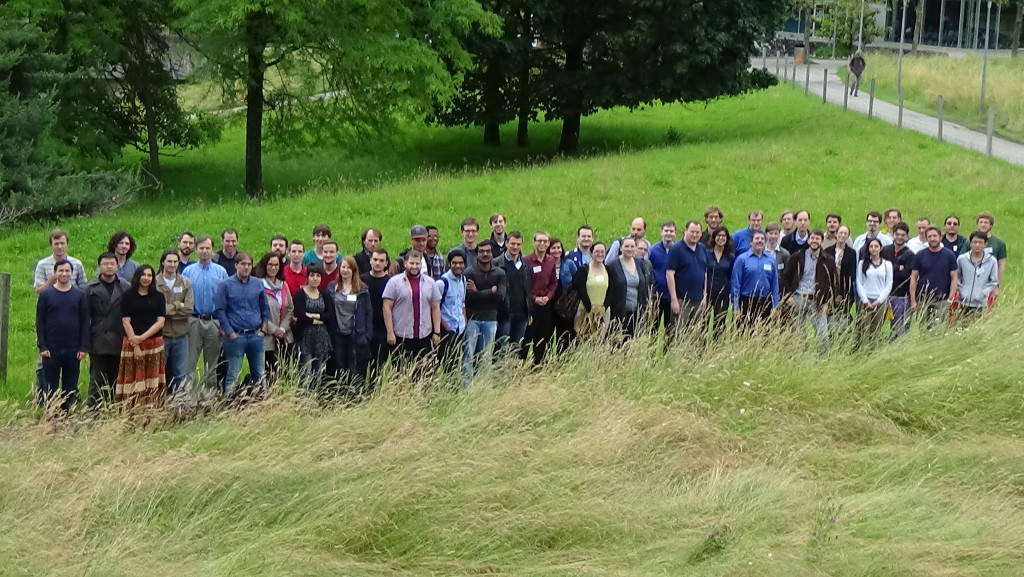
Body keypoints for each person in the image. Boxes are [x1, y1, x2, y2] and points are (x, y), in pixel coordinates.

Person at [36, 259, 89, 414]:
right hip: (51, 349)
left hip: (73, 349)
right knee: (50, 385)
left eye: (67, 271)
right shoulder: (46, 294)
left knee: (70, 385)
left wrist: (83, 346)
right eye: (61, 271)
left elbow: (85, 321)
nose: (64, 274)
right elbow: (40, 322)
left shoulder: (79, 295)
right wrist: (43, 346)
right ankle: (51, 416)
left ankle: (67, 416)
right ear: (55, 273)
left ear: (71, 273)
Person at [215, 251, 270, 401]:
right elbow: (220, 310)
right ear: (236, 265)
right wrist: (230, 332)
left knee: (259, 372)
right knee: (233, 373)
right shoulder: (226, 285)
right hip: (235, 336)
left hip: (255, 335)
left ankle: (261, 403)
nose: (246, 267)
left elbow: (265, 308)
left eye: (249, 264)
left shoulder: (258, 283)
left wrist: (263, 330)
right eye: (243, 264)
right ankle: (229, 405)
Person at [182, 235, 228, 399]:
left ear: (212, 250)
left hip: (214, 322)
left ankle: (208, 398)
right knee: (190, 362)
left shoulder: (221, 272)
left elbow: (225, 299)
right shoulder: (188, 271)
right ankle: (188, 398)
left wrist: (223, 324)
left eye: (208, 248)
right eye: (201, 248)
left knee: (211, 364)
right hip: (194, 320)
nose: (204, 251)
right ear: (196, 250)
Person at [116, 265, 166, 409]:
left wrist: (142, 338)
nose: (146, 278)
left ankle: (152, 411)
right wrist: (136, 344)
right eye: (143, 275)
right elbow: (126, 322)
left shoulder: (159, 297)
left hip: (153, 344)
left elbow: (160, 322)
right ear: (137, 277)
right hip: (132, 344)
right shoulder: (128, 296)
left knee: (152, 379)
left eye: (149, 275)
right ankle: (130, 411)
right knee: (132, 379)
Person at [84, 252, 130, 408]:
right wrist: (85, 341)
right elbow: (84, 317)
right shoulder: (90, 288)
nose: (109, 267)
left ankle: (114, 408)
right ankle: (93, 411)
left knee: (116, 378)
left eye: (112, 264)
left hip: (119, 338)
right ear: (99, 266)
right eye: (105, 264)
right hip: (98, 338)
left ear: (117, 266)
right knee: (96, 378)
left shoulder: (125, 286)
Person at [383, 250, 442, 369]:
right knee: (401, 371)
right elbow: (386, 307)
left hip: (424, 335)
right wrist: (390, 332)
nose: (414, 266)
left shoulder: (430, 282)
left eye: (417, 263)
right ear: (405, 264)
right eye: (411, 263)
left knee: (423, 371)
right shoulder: (394, 282)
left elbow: (435, 308)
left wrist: (437, 332)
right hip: (401, 335)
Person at [781, 229, 838, 354]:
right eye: (812, 238)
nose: (814, 241)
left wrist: (827, 302)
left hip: (817, 301)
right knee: (798, 334)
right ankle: (800, 360)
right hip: (798, 298)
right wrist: (788, 296)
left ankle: (823, 362)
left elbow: (833, 283)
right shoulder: (797, 256)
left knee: (822, 335)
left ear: (822, 241)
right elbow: (785, 277)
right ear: (808, 240)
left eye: (817, 239)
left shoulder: (828, 260)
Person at [463, 240, 506, 384]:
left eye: (488, 251)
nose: (485, 254)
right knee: (468, 354)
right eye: (482, 251)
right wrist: (490, 292)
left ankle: (483, 385)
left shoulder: (500, 273)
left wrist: (478, 292)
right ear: (477, 254)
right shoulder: (469, 272)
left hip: (491, 319)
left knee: (486, 355)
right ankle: (466, 386)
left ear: (492, 253)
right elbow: (468, 298)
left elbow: (500, 297)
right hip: (472, 319)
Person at [328, 256, 373, 395]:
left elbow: (368, 312)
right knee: (340, 365)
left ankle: (355, 396)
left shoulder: (362, 289)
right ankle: (340, 396)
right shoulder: (332, 287)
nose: (345, 270)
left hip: (355, 333)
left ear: (354, 270)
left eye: (348, 267)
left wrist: (367, 335)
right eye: (343, 267)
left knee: (354, 366)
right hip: (337, 333)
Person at [154, 249, 193, 400]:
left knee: (180, 374)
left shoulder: (185, 283)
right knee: (159, 373)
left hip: (181, 335)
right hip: (161, 335)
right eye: (169, 261)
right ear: (163, 262)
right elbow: (155, 310)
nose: (172, 264)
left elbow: (189, 309)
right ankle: (159, 404)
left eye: (175, 261)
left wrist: (165, 311)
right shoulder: (155, 283)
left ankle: (179, 405)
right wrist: (178, 305)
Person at [293, 264, 335, 392]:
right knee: (306, 371)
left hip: (322, 337)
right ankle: (304, 399)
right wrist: (317, 321)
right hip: (305, 337)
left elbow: (331, 316)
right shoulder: (300, 294)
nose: (315, 279)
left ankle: (315, 397)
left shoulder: (325, 294)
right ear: (307, 277)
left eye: (318, 276)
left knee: (318, 372)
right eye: (312, 275)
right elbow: (300, 315)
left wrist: (314, 315)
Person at [253, 252, 293, 383]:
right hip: (267, 337)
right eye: (270, 264)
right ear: (264, 265)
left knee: (284, 373)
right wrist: (274, 329)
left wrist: (282, 328)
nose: (273, 268)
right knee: (268, 373)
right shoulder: (258, 285)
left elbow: (290, 308)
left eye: (276, 265)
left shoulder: (284, 285)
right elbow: (256, 310)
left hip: (284, 337)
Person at [909, 226, 958, 330]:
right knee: (922, 330)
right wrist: (913, 300)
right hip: (923, 300)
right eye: (929, 236)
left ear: (940, 237)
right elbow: (913, 278)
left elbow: (954, 277)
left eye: (934, 236)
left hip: (942, 300)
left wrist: (950, 298)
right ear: (926, 239)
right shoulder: (920, 255)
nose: (932, 238)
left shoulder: (949, 255)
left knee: (939, 330)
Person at [666, 220, 708, 337]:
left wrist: (705, 295)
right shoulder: (676, 249)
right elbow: (670, 274)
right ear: (685, 232)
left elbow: (704, 273)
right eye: (692, 232)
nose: (694, 235)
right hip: (682, 300)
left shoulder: (702, 248)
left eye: (697, 232)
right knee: (679, 334)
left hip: (698, 300)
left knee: (695, 335)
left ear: (701, 234)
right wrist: (674, 299)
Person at [730, 231, 779, 328]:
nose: (759, 241)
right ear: (751, 242)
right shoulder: (742, 259)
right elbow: (735, 284)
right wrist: (736, 307)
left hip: (765, 302)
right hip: (746, 302)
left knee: (763, 336)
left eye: (762, 239)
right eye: (757, 238)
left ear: (765, 242)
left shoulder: (770, 260)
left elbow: (775, 284)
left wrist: (774, 306)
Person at [605, 237, 652, 338]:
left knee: (634, 339)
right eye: (626, 246)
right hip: (619, 312)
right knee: (619, 341)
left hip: (637, 312)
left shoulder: (639, 263)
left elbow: (644, 285)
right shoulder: (613, 265)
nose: (629, 249)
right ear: (621, 248)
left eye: (632, 246)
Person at [496, 231, 533, 356]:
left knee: (516, 348)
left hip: (522, 314)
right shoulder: (497, 264)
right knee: (502, 349)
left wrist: (529, 312)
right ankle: (500, 374)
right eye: (512, 244)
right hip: (505, 314)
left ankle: (512, 374)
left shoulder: (525, 264)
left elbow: (528, 289)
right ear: (506, 243)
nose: (515, 247)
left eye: (518, 244)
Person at [525, 231, 557, 364]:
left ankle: (538, 368)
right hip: (530, 306)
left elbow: (553, 282)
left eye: (545, 241)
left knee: (542, 339)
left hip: (545, 306)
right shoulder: (526, 260)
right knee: (527, 339)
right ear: (534, 242)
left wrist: (548, 297)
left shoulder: (551, 261)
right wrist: (534, 298)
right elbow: (523, 285)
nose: (542, 243)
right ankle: (520, 367)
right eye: (539, 241)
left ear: (548, 243)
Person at [360, 248, 393, 380]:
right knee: (362, 364)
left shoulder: (391, 282)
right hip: (363, 329)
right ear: (370, 260)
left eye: (381, 261)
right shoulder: (361, 280)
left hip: (382, 329)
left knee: (379, 366)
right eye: (375, 260)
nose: (378, 263)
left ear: (386, 263)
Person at [881, 222, 915, 340]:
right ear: (893, 235)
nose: (900, 237)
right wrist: (896, 267)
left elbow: (905, 275)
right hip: (883, 295)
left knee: (899, 328)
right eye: (897, 234)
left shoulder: (910, 255)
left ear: (906, 236)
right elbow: (881, 270)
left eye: (903, 235)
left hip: (901, 296)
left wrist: (889, 267)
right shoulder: (884, 251)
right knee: (877, 325)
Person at [855, 238, 893, 344]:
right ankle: (864, 351)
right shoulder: (862, 263)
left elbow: (888, 284)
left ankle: (873, 351)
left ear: (880, 248)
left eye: (876, 246)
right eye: (871, 246)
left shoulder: (887, 265)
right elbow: (859, 282)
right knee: (864, 329)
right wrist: (865, 300)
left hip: (880, 302)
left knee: (876, 329)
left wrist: (880, 300)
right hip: (865, 301)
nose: (873, 249)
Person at [955, 231, 999, 323]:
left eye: (980, 242)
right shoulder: (962, 259)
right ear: (970, 243)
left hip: (981, 303)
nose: (977, 245)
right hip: (963, 302)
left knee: (978, 327)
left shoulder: (992, 261)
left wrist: (983, 293)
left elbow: (993, 281)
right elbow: (957, 277)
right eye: (975, 242)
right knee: (961, 327)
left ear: (985, 244)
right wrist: (961, 290)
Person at [436, 250, 468, 375]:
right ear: (449, 264)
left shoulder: (463, 280)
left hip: (459, 329)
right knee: (445, 364)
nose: (458, 266)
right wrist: (445, 326)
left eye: (461, 263)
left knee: (455, 363)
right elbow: (435, 307)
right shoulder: (442, 283)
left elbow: (462, 302)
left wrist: (464, 320)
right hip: (446, 330)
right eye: (454, 263)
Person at [571, 241, 610, 339]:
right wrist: (590, 308)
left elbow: (611, 290)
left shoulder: (608, 270)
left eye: (602, 252)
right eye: (597, 251)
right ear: (591, 253)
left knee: (599, 340)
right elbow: (580, 290)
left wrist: (603, 307)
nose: (600, 254)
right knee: (582, 338)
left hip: (602, 312)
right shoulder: (584, 270)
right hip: (584, 310)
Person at [824, 225, 857, 335]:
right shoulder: (827, 251)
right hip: (829, 292)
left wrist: (841, 295)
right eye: (840, 233)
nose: (842, 235)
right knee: (830, 321)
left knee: (842, 320)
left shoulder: (852, 253)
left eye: (845, 233)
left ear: (848, 236)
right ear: (836, 234)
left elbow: (851, 275)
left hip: (845, 293)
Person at [34, 228, 87, 295]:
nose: (59, 247)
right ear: (51, 246)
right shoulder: (42, 265)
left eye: (62, 243)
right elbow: (38, 292)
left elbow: (84, 289)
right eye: (56, 244)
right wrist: (51, 280)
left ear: (67, 244)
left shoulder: (77, 264)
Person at [547, 237, 578, 349]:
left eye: (558, 247)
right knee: (548, 335)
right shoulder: (546, 264)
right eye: (553, 248)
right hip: (549, 304)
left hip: (565, 305)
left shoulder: (569, 263)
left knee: (565, 335)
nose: (556, 250)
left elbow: (577, 282)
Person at [706, 227, 735, 340]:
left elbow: (731, 276)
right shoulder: (707, 254)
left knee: (720, 325)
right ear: (714, 238)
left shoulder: (730, 257)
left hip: (723, 295)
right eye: (718, 235)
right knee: (704, 323)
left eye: (723, 236)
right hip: (708, 294)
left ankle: (716, 350)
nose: (721, 238)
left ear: (727, 238)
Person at [648, 221, 676, 332]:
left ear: (675, 233)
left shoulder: (678, 250)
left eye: (671, 231)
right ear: (661, 232)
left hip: (672, 297)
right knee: (653, 328)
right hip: (657, 296)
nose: (668, 233)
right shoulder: (653, 250)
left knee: (671, 329)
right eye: (666, 231)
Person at [975, 212, 1006, 298]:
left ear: (991, 225)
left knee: (987, 310)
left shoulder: (999, 244)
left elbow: (1001, 265)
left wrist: (997, 285)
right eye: (981, 222)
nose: (983, 225)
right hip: (972, 282)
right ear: (977, 224)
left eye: (986, 223)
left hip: (989, 283)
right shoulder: (970, 242)